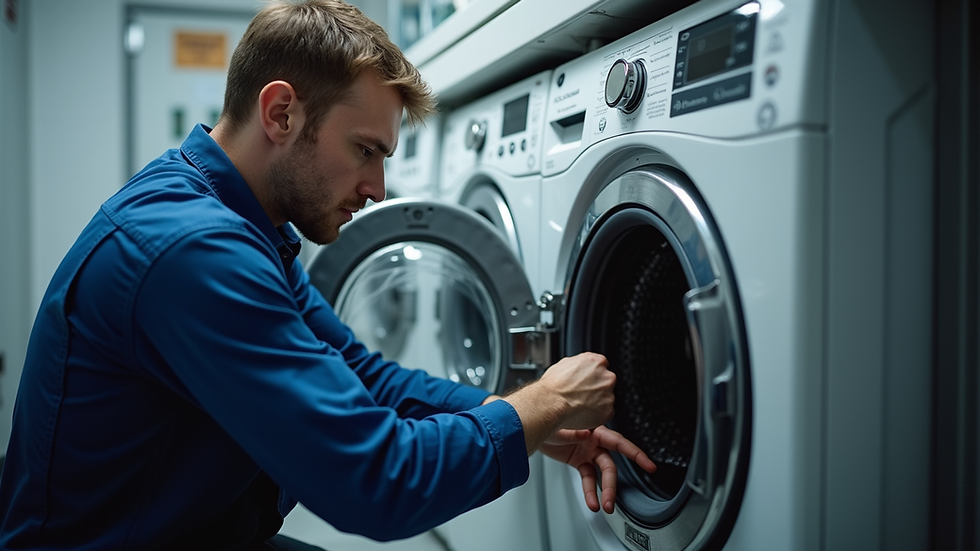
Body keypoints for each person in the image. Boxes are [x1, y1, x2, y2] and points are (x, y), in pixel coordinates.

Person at [0, 1, 656, 549]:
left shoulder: (237, 221)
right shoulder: (195, 253)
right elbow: (375, 482)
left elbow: (361, 373)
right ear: (281, 112)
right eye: (364, 150)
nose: (377, 187)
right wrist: (540, 404)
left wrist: (520, 416)